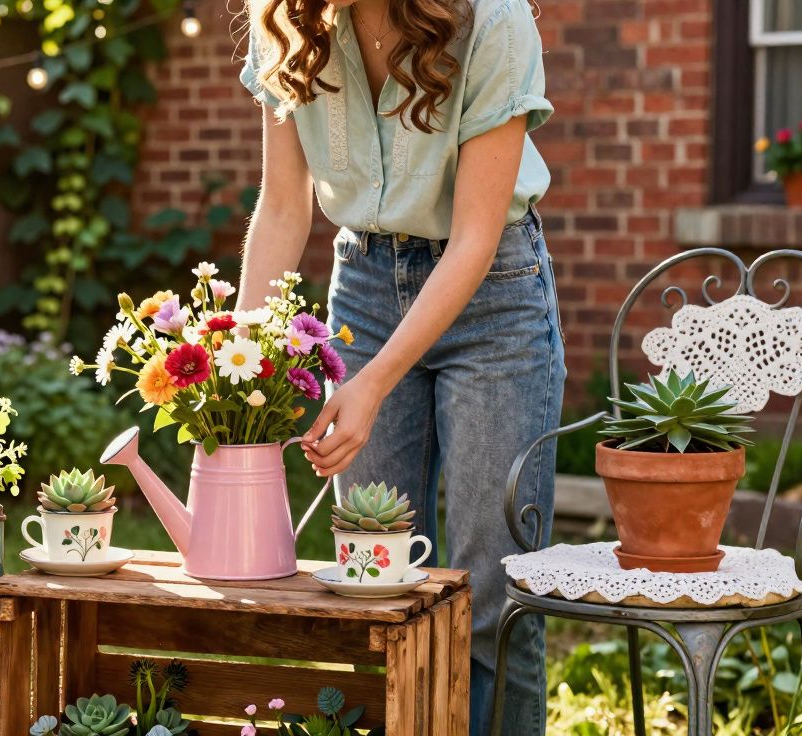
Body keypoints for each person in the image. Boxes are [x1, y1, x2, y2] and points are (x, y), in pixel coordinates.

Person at [233, 0, 564, 733]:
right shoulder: (287, 21)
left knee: (494, 595)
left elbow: (474, 238)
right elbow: (284, 206)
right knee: (371, 582)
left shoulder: (494, 21)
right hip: (363, 286)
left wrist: (373, 383)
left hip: (492, 298)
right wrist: (238, 369)